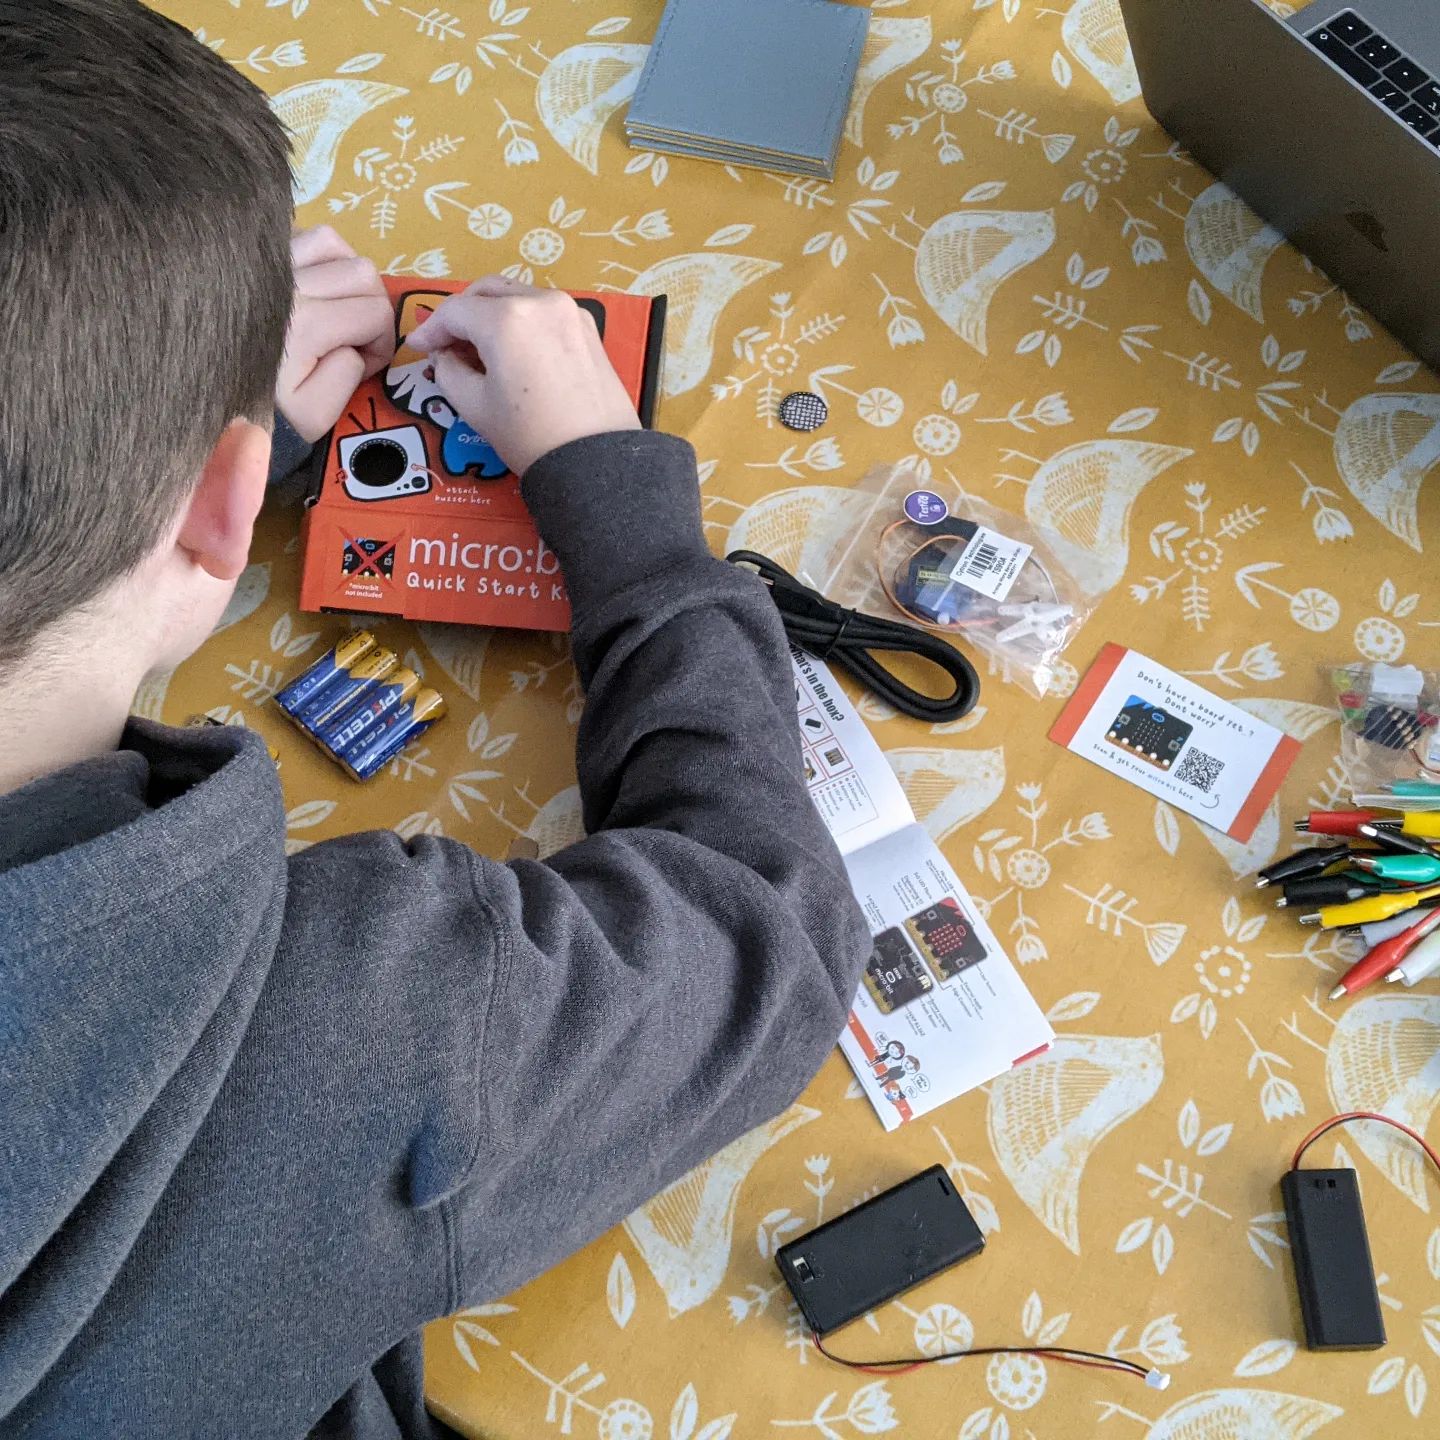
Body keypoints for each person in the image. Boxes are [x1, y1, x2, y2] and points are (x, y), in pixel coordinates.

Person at [0, 4, 871, 1437]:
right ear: (230, 509)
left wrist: (141, 498)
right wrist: (627, 515)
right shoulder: (365, 1021)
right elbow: (764, 943)